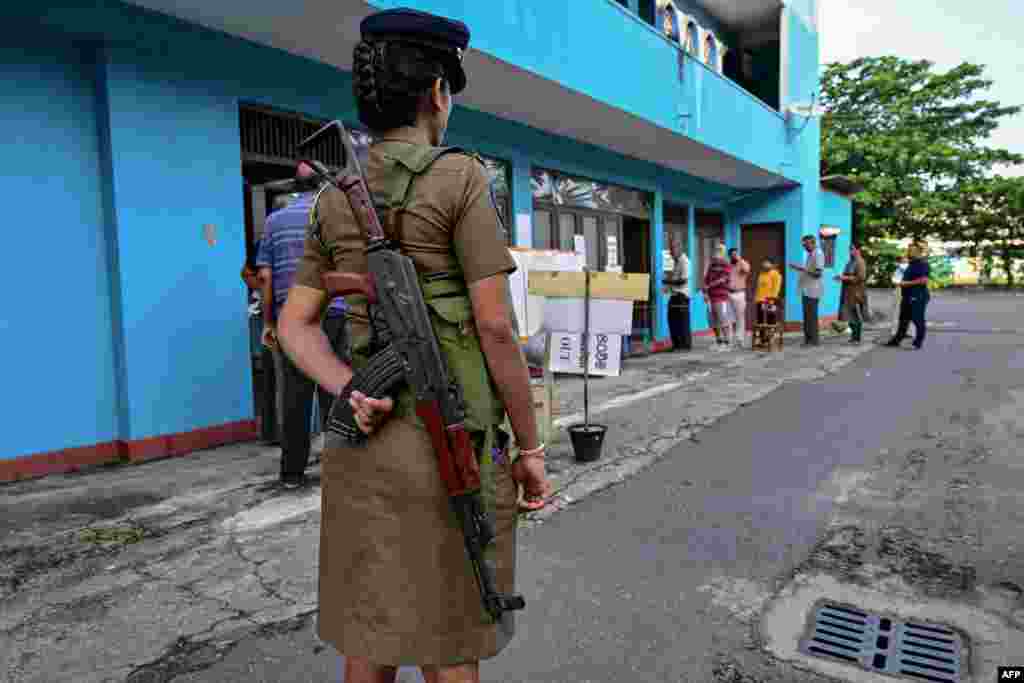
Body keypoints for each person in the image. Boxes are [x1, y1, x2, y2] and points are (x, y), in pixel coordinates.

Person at [275, 8, 551, 682]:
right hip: (449, 441)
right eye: (449, 93)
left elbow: (294, 325)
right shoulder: (461, 178)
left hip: (363, 448)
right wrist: (534, 447)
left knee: (370, 632)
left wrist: (346, 385)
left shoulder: (333, 198)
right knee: (451, 637)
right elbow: (494, 328)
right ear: (436, 94)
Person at [256, 173, 351, 489]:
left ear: (295, 191)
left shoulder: (274, 222)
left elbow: (266, 278)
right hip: (335, 313)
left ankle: (292, 474)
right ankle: (339, 468)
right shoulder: (336, 217)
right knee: (334, 392)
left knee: (295, 396)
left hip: (292, 316)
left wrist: (268, 322)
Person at [885, 243, 931, 350]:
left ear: (918, 252)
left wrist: (905, 284)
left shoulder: (922, 264)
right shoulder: (912, 263)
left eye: (911, 250)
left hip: (917, 296)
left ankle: (917, 343)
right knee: (903, 319)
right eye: (908, 250)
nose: (908, 252)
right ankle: (896, 340)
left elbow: (923, 280)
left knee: (917, 319)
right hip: (907, 296)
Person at [789, 235, 824, 346]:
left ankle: (813, 340)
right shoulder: (811, 254)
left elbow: (818, 273)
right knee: (807, 316)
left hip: (813, 290)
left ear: (812, 243)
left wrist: (802, 269)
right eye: (803, 245)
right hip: (807, 290)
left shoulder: (818, 254)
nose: (804, 247)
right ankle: (808, 339)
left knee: (811, 316)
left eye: (806, 244)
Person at [702, 244, 733, 350]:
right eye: (716, 250)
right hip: (710, 296)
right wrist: (705, 293)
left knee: (722, 319)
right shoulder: (711, 265)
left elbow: (723, 279)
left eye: (720, 250)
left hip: (721, 296)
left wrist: (709, 286)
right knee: (712, 320)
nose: (717, 252)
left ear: (723, 253)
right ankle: (719, 341)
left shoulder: (726, 265)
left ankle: (727, 342)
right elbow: (706, 279)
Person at [663, 233, 691, 351]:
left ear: (679, 248)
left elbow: (683, 280)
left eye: (673, 249)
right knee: (672, 320)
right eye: (670, 249)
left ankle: (684, 345)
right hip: (674, 295)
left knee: (681, 321)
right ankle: (677, 344)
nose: (670, 252)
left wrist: (668, 282)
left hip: (681, 295)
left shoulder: (684, 261)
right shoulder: (677, 262)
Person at [834, 243, 867, 344]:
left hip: (856, 292)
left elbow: (861, 277)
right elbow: (847, 274)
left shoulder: (860, 262)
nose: (850, 251)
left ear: (858, 250)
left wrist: (845, 278)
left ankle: (857, 338)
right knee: (850, 315)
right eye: (849, 249)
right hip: (847, 291)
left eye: (852, 249)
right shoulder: (850, 262)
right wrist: (841, 277)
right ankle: (853, 337)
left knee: (855, 314)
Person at [727, 247, 751, 349]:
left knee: (740, 317)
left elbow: (746, 270)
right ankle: (729, 339)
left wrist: (739, 260)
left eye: (735, 254)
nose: (734, 256)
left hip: (739, 293)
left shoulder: (742, 264)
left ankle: (740, 339)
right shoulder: (727, 265)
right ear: (729, 256)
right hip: (728, 294)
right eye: (732, 254)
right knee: (728, 317)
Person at [754, 257, 782, 325]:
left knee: (771, 318)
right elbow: (759, 287)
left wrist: (772, 300)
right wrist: (756, 298)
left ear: (772, 264)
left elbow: (776, 288)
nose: (764, 264)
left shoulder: (776, 274)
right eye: (763, 263)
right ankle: (762, 334)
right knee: (760, 319)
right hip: (760, 299)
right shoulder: (761, 274)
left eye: (767, 263)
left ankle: (770, 334)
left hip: (770, 300)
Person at [890, 255, 909, 335]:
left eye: (904, 258)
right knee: (901, 311)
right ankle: (902, 330)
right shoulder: (900, 267)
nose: (903, 259)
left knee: (898, 311)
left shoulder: (903, 267)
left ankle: (897, 331)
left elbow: (895, 279)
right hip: (900, 288)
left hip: (901, 288)